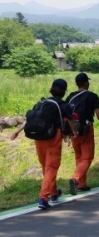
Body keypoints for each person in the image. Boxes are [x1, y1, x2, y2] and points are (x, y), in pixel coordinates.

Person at [10, 79, 78, 209]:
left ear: (51, 89)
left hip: (39, 138)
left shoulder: (41, 103)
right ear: (64, 91)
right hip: (52, 139)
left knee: (45, 167)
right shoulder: (63, 105)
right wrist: (75, 132)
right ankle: (43, 198)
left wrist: (17, 131)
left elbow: (29, 119)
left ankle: (53, 193)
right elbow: (71, 120)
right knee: (51, 167)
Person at [67, 73, 99, 195]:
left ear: (77, 84)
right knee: (87, 157)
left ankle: (82, 185)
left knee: (79, 156)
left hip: (73, 130)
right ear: (86, 83)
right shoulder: (92, 96)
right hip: (86, 129)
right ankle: (76, 179)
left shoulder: (70, 97)